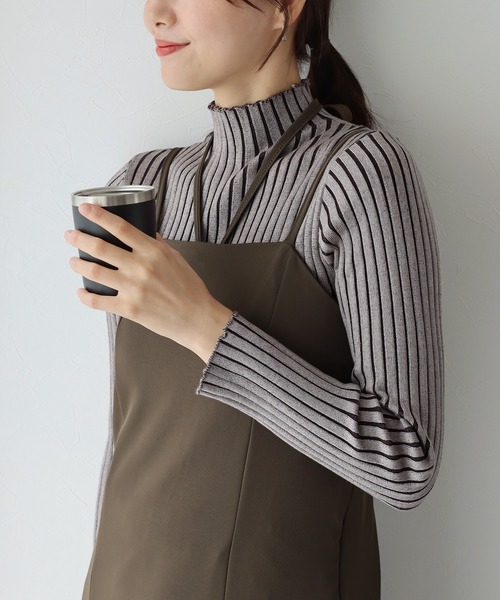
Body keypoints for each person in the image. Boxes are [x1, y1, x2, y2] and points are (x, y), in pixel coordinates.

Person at [65, 1, 444, 598]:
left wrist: (205, 325)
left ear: (284, 8)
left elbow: (404, 462)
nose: (154, 14)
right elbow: (126, 438)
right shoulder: (142, 187)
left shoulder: (359, 174)